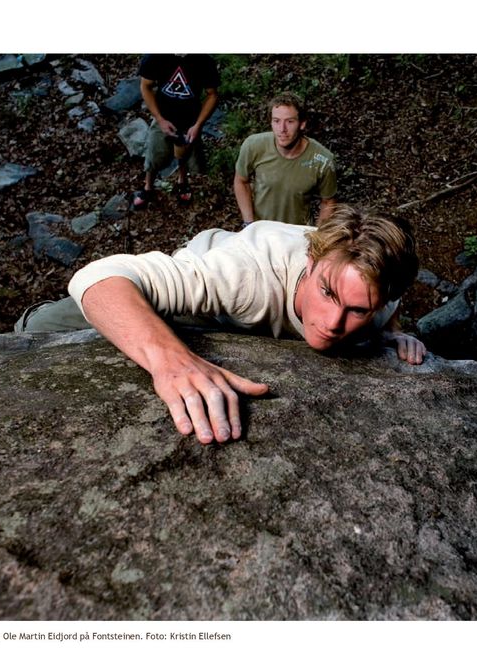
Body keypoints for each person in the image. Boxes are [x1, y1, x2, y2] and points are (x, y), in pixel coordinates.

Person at [60, 204, 426, 445]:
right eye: (327, 293)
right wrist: (170, 358)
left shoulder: (376, 285)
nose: (333, 323)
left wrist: (391, 331)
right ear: (310, 262)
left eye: (358, 311)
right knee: (49, 323)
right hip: (195, 285)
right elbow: (98, 276)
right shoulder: (244, 279)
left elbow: (390, 303)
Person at [233, 92, 337, 227]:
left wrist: (317, 236)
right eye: (276, 121)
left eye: (290, 121)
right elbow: (241, 181)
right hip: (260, 230)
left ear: (302, 124)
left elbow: (328, 202)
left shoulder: (322, 160)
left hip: (297, 233)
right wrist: (249, 223)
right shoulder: (254, 146)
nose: (282, 129)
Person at [132, 54, 219, 209]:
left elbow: (212, 94)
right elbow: (145, 86)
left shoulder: (203, 60)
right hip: (163, 114)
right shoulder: (156, 56)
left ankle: (182, 181)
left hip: (190, 117)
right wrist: (160, 119)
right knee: (154, 152)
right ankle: (148, 188)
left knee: (185, 151)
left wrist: (198, 124)